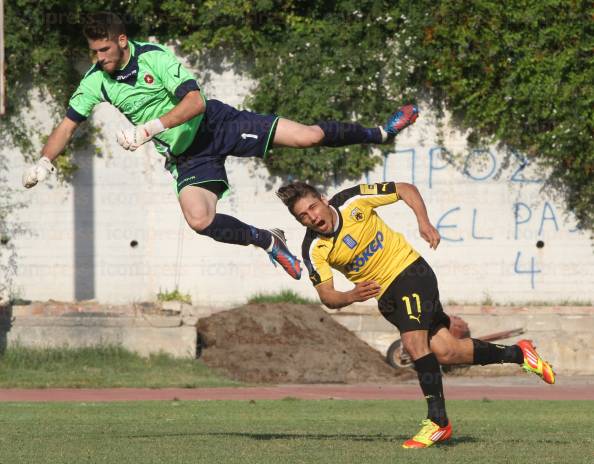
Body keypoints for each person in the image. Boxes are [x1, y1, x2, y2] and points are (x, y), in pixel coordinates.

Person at [21, 12, 419, 280]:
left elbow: (194, 101)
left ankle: (380, 133)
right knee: (199, 220)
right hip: (189, 155)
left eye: (104, 49)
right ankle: (269, 240)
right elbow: (67, 124)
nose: (99, 57)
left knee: (309, 136)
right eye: (93, 52)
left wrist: (148, 129)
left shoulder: (154, 58)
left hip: (217, 123)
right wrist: (44, 161)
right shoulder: (96, 81)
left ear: (122, 41)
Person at [276, 180, 555, 448]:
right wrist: (351, 295)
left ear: (323, 200)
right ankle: (520, 354)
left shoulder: (353, 200)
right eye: (303, 216)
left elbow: (404, 189)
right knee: (447, 352)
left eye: (313, 207)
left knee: (413, 345)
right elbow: (328, 296)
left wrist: (423, 222)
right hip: (387, 298)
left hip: (410, 272)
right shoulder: (313, 249)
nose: (312, 217)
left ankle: (438, 422)